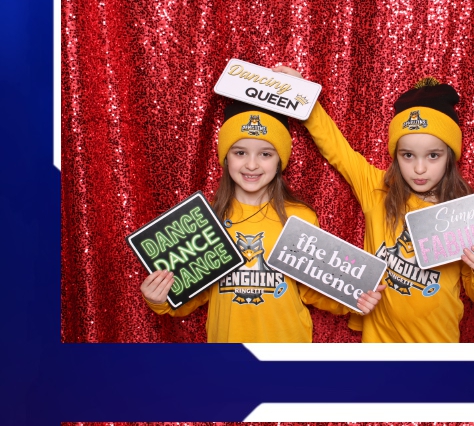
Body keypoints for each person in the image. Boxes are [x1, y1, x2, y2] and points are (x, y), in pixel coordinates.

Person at [289, 71, 474, 343]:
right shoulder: (378, 190)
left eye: (433, 155)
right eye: (408, 155)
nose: (420, 168)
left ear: (450, 156)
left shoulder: (465, 212)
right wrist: (301, 93)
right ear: (396, 155)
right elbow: (335, 147)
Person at [138, 100, 341, 343]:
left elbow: (312, 289)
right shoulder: (207, 218)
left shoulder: (300, 217)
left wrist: (353, 299)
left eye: (265, 154)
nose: (251, 165)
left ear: (279, 160)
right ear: (226, 157)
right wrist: (159, 299)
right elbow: (191, 296)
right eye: (240, 152)